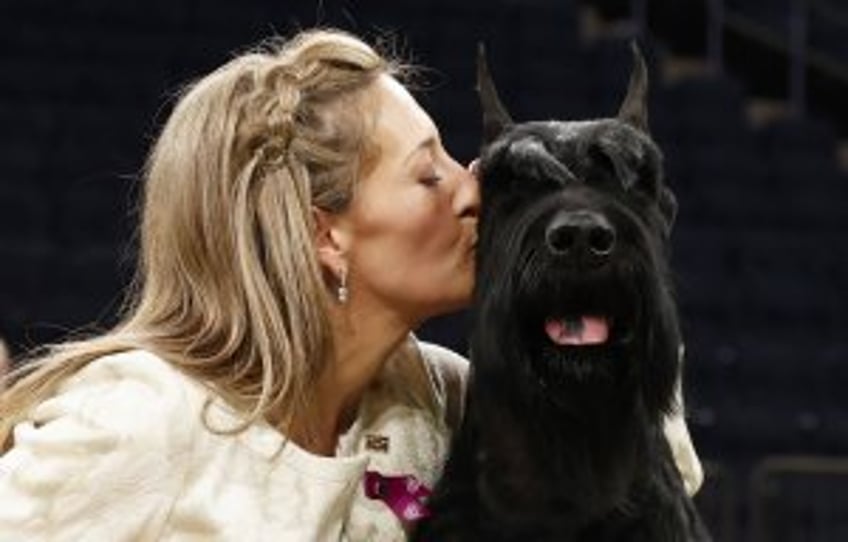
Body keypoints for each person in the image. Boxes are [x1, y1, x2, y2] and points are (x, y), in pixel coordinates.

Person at [0, 28, 701, 540]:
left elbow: (645, 469)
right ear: (325, 236)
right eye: (431, 173)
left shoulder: (440, 398)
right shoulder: (138, 421)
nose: (475, 189)